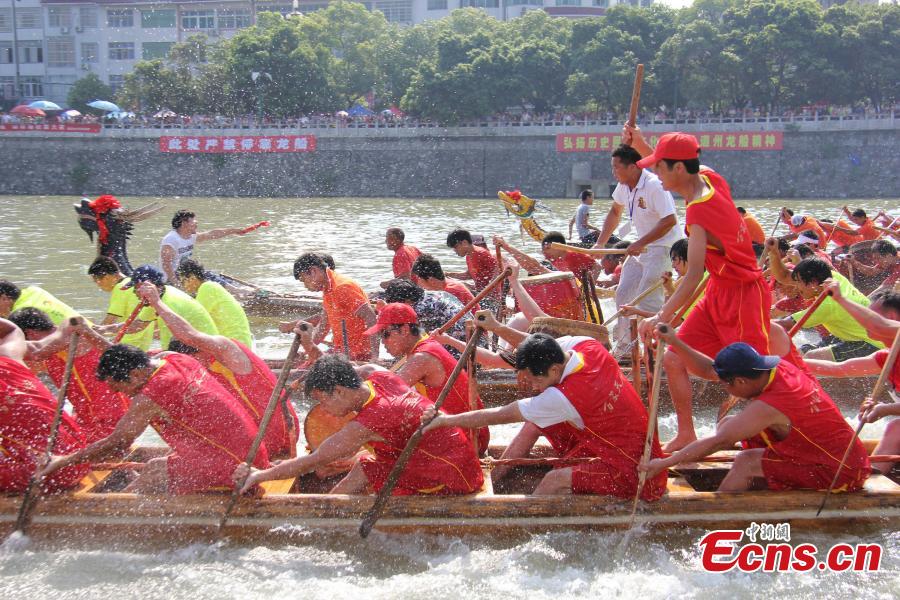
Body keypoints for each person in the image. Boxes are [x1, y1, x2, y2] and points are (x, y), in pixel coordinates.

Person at [630, 128, 771, 452]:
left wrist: (660, 318)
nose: (655, 175)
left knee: (752, 376)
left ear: (678, 169)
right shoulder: (708, 176)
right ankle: (687, 433)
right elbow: (671, 164)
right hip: (718, 291)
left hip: (744, 294)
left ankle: (766, 439)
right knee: (674, 358)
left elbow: (693, 274)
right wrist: (639, 143)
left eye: (659, 168)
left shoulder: (698, 212)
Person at [423, 332, 667, 499]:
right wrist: (496, 328)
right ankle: (495, 481)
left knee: (554, 479)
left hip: (638, 473)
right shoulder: (586, 345)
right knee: (534, 423)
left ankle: (530, 531)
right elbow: (536, 342)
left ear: (554, 369)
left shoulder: (564, 397)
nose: (536, 387)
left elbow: (501, 414)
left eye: (537, 380)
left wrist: (446, 421)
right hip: (620, 445)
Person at [642, 335, 870, 493]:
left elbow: (719, 442)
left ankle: (719, 520)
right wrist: (673, 341)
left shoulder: (771, 404)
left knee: (745, 461)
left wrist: (663, 463)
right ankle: (761, 482)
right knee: (730, 422)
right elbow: (709, 368)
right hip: (830, 454)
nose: (725, 390)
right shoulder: (777, 368)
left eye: (725, 385)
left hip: (841, 472)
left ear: (740, 380)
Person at [233, 355, 484, 496]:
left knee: (365, 465)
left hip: (451, 477)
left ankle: (330, 513)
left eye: (322, 400)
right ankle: (331, 506)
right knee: (366, 464)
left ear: (340, 392)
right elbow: (355, 367)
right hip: (453, 456)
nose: (324, 409)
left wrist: (260, 475)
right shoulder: (378, 375)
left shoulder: (371, 420)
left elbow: (315, 460)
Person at [38, 344, 270, 494]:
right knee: (156, 459)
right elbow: (125, 353)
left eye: (119, 387)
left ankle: (114, 520)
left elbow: (118, 442)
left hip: (238, 465)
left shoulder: (152, 394)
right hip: (254, 452)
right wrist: (90, 338)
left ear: (137, 374)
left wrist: (60, 462)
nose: (123, 394)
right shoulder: (174, 358)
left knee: (155, 469)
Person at [135, 282, 298, 458]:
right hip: (259, 440)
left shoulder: (227, 351)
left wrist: (156, 302)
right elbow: (148, 360)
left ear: (197, 349)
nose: (189, 368)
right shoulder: (200, 366)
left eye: (190, 362)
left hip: (274, 435)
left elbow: (189, 336)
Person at [362, 303, 489, 453]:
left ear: (404, 330)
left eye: (385, 334)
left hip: (469, 439)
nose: (383, 342)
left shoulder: (423, 357)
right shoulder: (422, 346)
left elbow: (386, 395)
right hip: (458, 432)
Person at [592, 144, 681, 347]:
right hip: (642, 248)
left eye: (617, 167)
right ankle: (625, 348)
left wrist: (640, 242)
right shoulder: (624, 185)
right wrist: (600, 243)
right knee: (624, 294)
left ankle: (657, 348)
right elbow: (615, 212)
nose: (614, 172)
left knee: (648, 298)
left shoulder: (654, 185)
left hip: (663, 248)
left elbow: (669, 221)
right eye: (612, 167)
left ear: (633, 167)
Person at [804, 288, 900, 475]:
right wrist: (786, 360)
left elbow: (879, 326)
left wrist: (885, 409)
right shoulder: (885, 357)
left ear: (892, 317)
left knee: (896, 427)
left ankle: (870, 483)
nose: (861, 321)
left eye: (868, 315)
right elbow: (839, 369)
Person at [9, 309, 129, 444]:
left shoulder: (73, 336)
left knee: (97, 459)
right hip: (85, 416)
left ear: (30, 334)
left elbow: (37, 352)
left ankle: (153, 461)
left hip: (110, 413)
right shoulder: (52, 347)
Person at [0, 317, 88, 493]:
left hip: (49, 473)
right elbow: (11, 329)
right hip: (81, 457)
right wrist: (63, 330)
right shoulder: (8, 355)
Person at [771, 257, 883, 361]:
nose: (796, 286)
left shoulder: (828, 305)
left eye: (799, 282)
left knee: (811, 357)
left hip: (870, 343)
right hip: (851, 336)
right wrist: (773, 252)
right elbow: (784, 277)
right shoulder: (832, 277)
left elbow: (784, 324)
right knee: (801, 351)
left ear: (813, 282)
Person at [290, 252, 378, 361]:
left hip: (358, 355)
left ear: (313, 271)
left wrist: (375, 357)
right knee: (305, 365)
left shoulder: (342, 287)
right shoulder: (327, 289)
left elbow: (371, 318)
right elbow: (323, 328)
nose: (305, 286)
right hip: (341, 351)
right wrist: (306, 351)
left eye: (304, 280)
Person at [109, 265, 219, 351]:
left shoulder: (170, 303)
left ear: (149, 286)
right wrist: (104, 329)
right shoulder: (156, 297)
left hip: (205, 352)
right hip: (189, 348)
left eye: (136, 288)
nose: (134, 293)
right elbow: (139, 325)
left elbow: (175, 346)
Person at [159, 209, 263, 284]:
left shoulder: (191, 236)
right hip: (171, 281)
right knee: (204, 273)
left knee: (209, 275)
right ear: (184, 223)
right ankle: (238, 293)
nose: (196, 225)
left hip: (187, 275)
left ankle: (235, 290)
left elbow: (212, 234)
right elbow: (166, 265)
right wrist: (177, 285)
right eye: (194, 222)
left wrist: (235, 231)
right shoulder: (171, 239)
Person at [176, 259, 253, 349]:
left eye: (182, 282)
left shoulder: (207, 288)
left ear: (192, 278)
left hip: (236, 346)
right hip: (236, 344)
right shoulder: (210, 287)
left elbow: (193, 321)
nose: (182, 286)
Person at [87, 256, 154, 349]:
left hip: (130, 343)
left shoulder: (120, 288)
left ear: (106, 277)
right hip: (144, 343)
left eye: (96, 281)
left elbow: (108, 322)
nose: (98, 286)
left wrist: (89, 336)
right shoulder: (132, 282)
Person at [382, 279, 469, 341]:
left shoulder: (420, 309)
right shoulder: (432, 294)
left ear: (407, 301)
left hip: (463, 348)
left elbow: (414, 340)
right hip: (475, 339)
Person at [492, 232, 600, 280]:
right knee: (535, 271)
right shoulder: (554, 261)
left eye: (548, 249)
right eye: (543, 250)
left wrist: (591, 286)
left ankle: (506, 246)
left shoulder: (574, 254)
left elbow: (597, 267)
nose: (545, 253)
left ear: (560, 246)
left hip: (580, 286)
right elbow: (534, 268)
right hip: (570, 283)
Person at [445, 229, 501, 309]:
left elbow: (498, 270)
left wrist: (489, 289)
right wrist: (448, 274)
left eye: (456, 247)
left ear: (464, 243)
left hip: (491, 298)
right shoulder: (469, 256)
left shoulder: (481, 253)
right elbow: (468, 275)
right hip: (480, 294)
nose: (455, 251)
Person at [0, 279, 79, 324]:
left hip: (79, 350)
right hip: (89, 331)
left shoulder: (20, 314)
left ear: (4, 298)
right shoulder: (34, 290)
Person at [410, 254, 476, 308]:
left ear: (431, 281)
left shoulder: (449, 293)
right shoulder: (447, 284)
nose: (417, 283)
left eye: (419, 279)